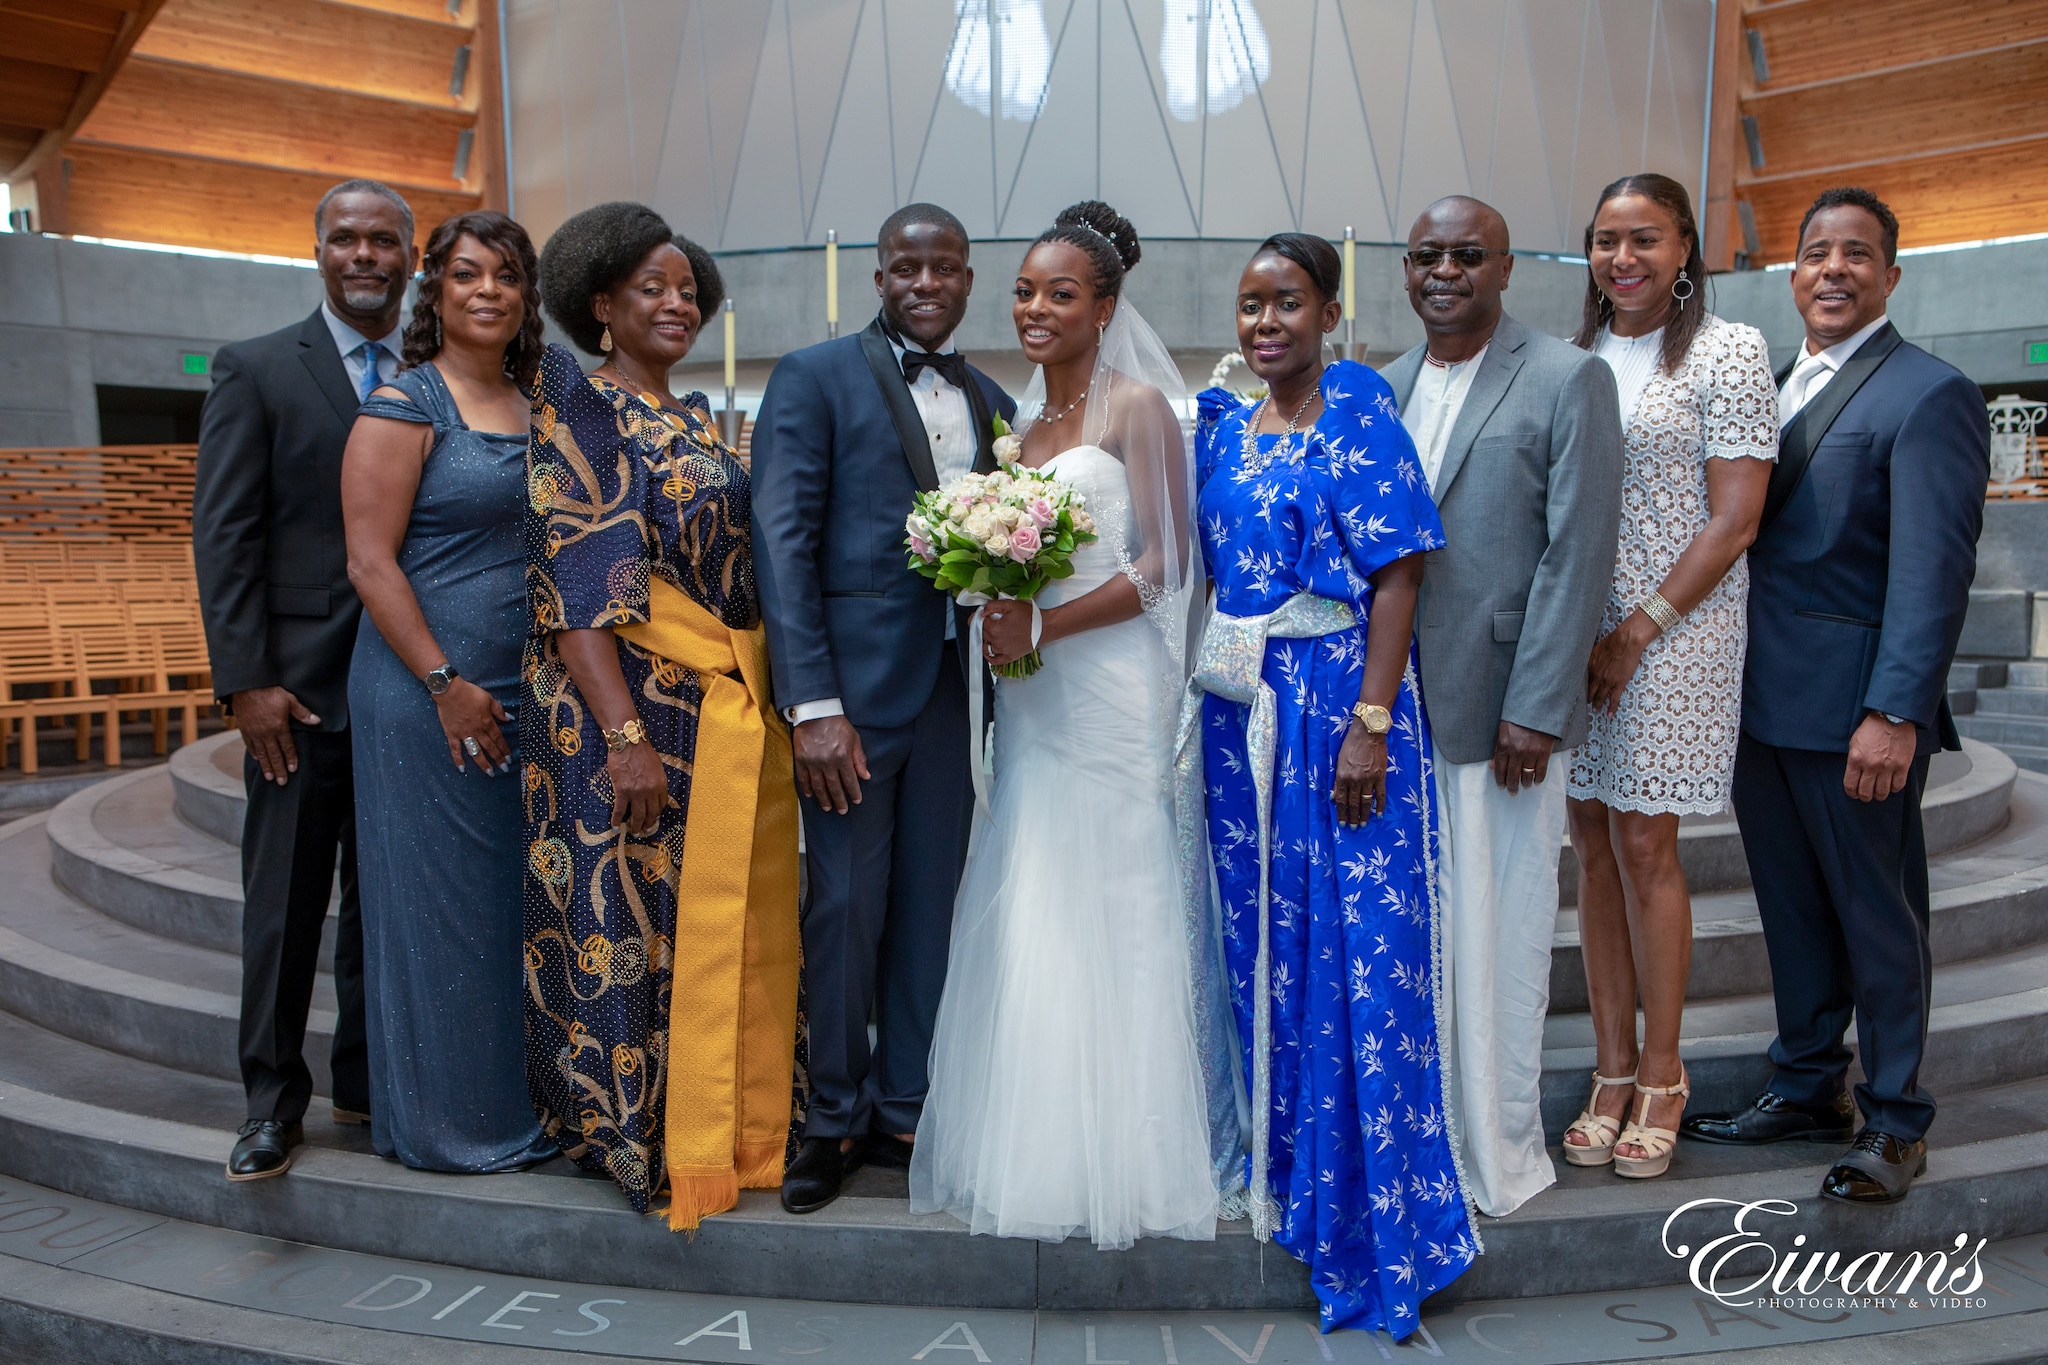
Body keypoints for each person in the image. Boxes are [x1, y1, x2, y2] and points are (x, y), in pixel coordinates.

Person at [910, 202, 1231, 1248]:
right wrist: (991, 598)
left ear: (1103, 308)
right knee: (1035, 884)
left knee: (1117, 889)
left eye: (1060, 294)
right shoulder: (1017, 430)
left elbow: (1168, 564)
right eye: (1025, 291)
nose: (1035, 308)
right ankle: (1035, 1140)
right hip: (1035, 691)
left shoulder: (1136, 408)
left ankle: (1132, 1155)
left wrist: (1043, 616)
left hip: (1111, 688)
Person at [1683, 189, 1988, 1205]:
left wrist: (1894, 710)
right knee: (1791, 911)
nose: (1832, 270)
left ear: (1889, 276)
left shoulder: (1925, 393)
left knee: (1875, 916)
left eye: (1855, 254)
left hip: (1855, 710)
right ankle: (1807, 1084)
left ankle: (1895, 1119)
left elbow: (1929, 572)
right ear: (1790, 273)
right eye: (1814, 252)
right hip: (1759, 703)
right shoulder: (1769, 386)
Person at [1192, 234, 1474, 1334]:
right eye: (1251, 305)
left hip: (1336, 708)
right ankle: (1282, 1171)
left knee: (1353, 951)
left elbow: (1400, 572)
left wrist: (1368, 723)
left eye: (1286, 305)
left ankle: (1369, 1216)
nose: (1265, 324)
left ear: (1327, 313)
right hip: (1237, 720)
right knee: (1264, 941)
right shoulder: (1229, 425)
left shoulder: (1354, 412)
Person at [523, 201, 799, 1228]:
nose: (677, 304)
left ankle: (724, 1122)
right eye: (652, 288)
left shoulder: (688, 416)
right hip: (629, 721)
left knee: (700, 928)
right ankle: (638, 1136)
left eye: (688, 290)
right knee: (628, 931)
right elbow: (575, 587)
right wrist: (625, 740)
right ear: (601, 304)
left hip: (711, 712)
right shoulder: (583, 407)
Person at [751, 204, 1016, 1215]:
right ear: (877, 277)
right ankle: (828, 1119)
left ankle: (906, 1105)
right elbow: (782, 542)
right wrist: (811, 703)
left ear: (964, 280)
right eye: (906, 267)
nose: (925, 284)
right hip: (850, 703)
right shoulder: (813, 377)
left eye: (944, 268)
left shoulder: (990, 398)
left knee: (925, 912)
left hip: (958, 695)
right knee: (845, 910)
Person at [1380, 196, 1625, 1217]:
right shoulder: (1381, 385)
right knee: (1415, 937)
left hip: (1501, 715)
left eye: (1465, 255)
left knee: (1498, 930)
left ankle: (1495, 1144)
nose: (1445, 271)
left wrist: (1537, 706)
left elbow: (1578, 554)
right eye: (1427, 255)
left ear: (1505, 265)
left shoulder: (1569, 377)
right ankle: (1416, 1134)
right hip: (1389, 715)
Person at [195, 178, 417, 1181]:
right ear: (318, 250)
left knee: (385, 906)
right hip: (298, 693)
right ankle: (269, 1101)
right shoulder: (255, 370)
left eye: (383, 240)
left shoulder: (434, 370)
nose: (365, 255)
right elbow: (226, 535)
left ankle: (366, 1085)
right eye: (346, 239)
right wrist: (246, 682)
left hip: (407, 692)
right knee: (284, 905)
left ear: (409, 256)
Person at [1562, 173, 1778, 1179]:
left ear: (1685, 248)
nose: (1622, 259)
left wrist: (1638, 629)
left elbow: (1734, 518)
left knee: (1644, 840)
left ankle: (1660, 1070)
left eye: (1643, 239)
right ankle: (1605, 1069)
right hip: (1582, 630)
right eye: (1605, 240)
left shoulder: (1725, 352)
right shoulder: (1573, 355)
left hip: (1674, 629)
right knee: (1589, 842)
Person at [340, 210, 556, 1173]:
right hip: (427, 694)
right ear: (436, 288)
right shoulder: (404, 404)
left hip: (527, 692)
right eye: (468, 273)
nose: (488, 291)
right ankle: (448, 1124)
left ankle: (517, 1100)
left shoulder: (543, 397)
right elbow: (370, 563)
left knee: (512, 903)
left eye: (507, 276)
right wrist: (444, 684)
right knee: (440, 908)